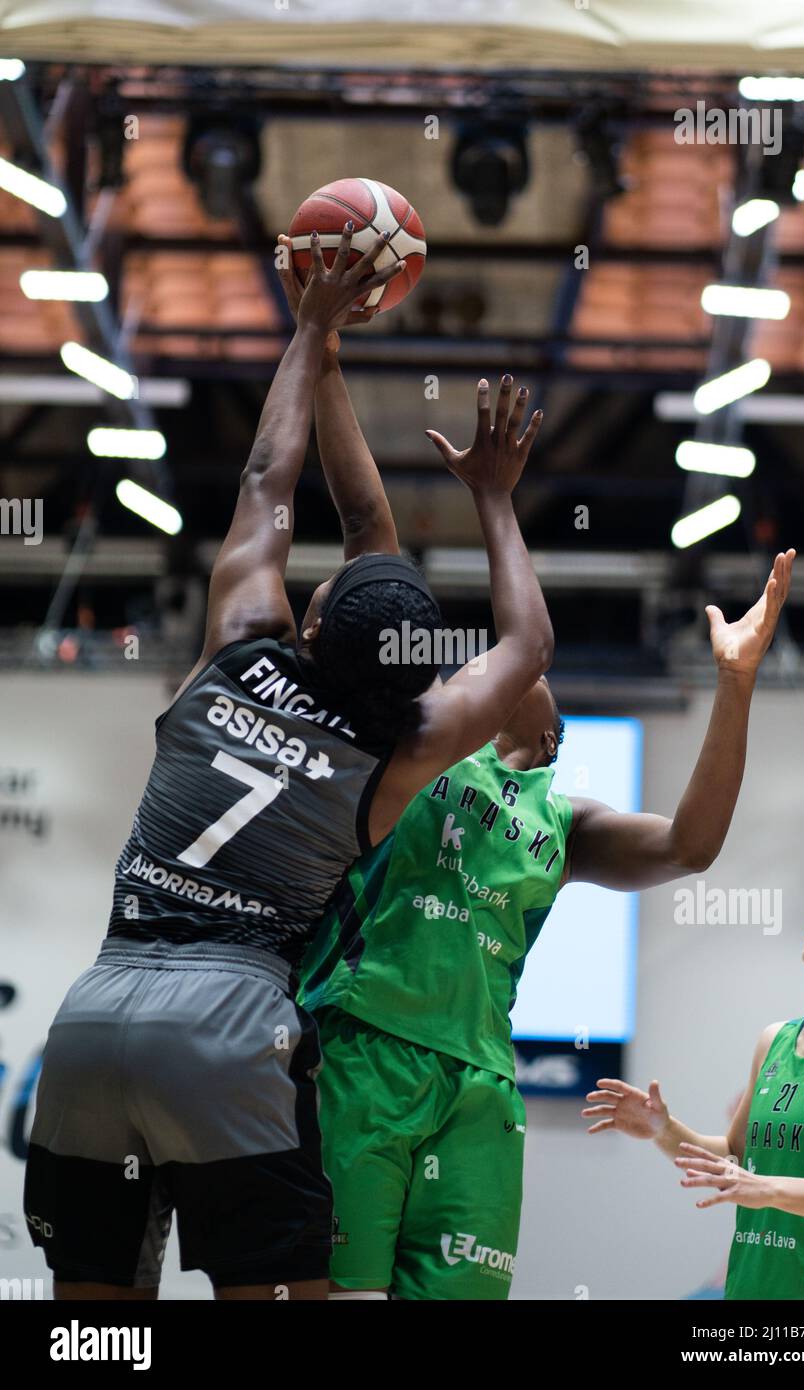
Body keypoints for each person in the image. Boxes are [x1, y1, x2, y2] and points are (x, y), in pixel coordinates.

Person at [23, 223, 553, 1302]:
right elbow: (527, 647)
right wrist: (496, 499)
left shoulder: (234, 655)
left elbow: (272, 480)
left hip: (90, 1016)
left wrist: (310, 327)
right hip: (229, 1030)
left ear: (307, 628)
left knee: (87, 1324)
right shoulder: (396, 750)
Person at [286, 249, 796, 1296]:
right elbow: (366, 527)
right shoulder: (412, 745)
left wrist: (734, 686)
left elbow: (692, 844)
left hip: (479, 1087)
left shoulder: (556, 817)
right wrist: (322, 350)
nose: (510, 665)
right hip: (360, 1052)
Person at [582, 882, 804, 1300]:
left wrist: (770, 1189)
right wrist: (664, 1129)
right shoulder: (775, 1041)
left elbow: (756, 1185)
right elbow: (734, 1162)